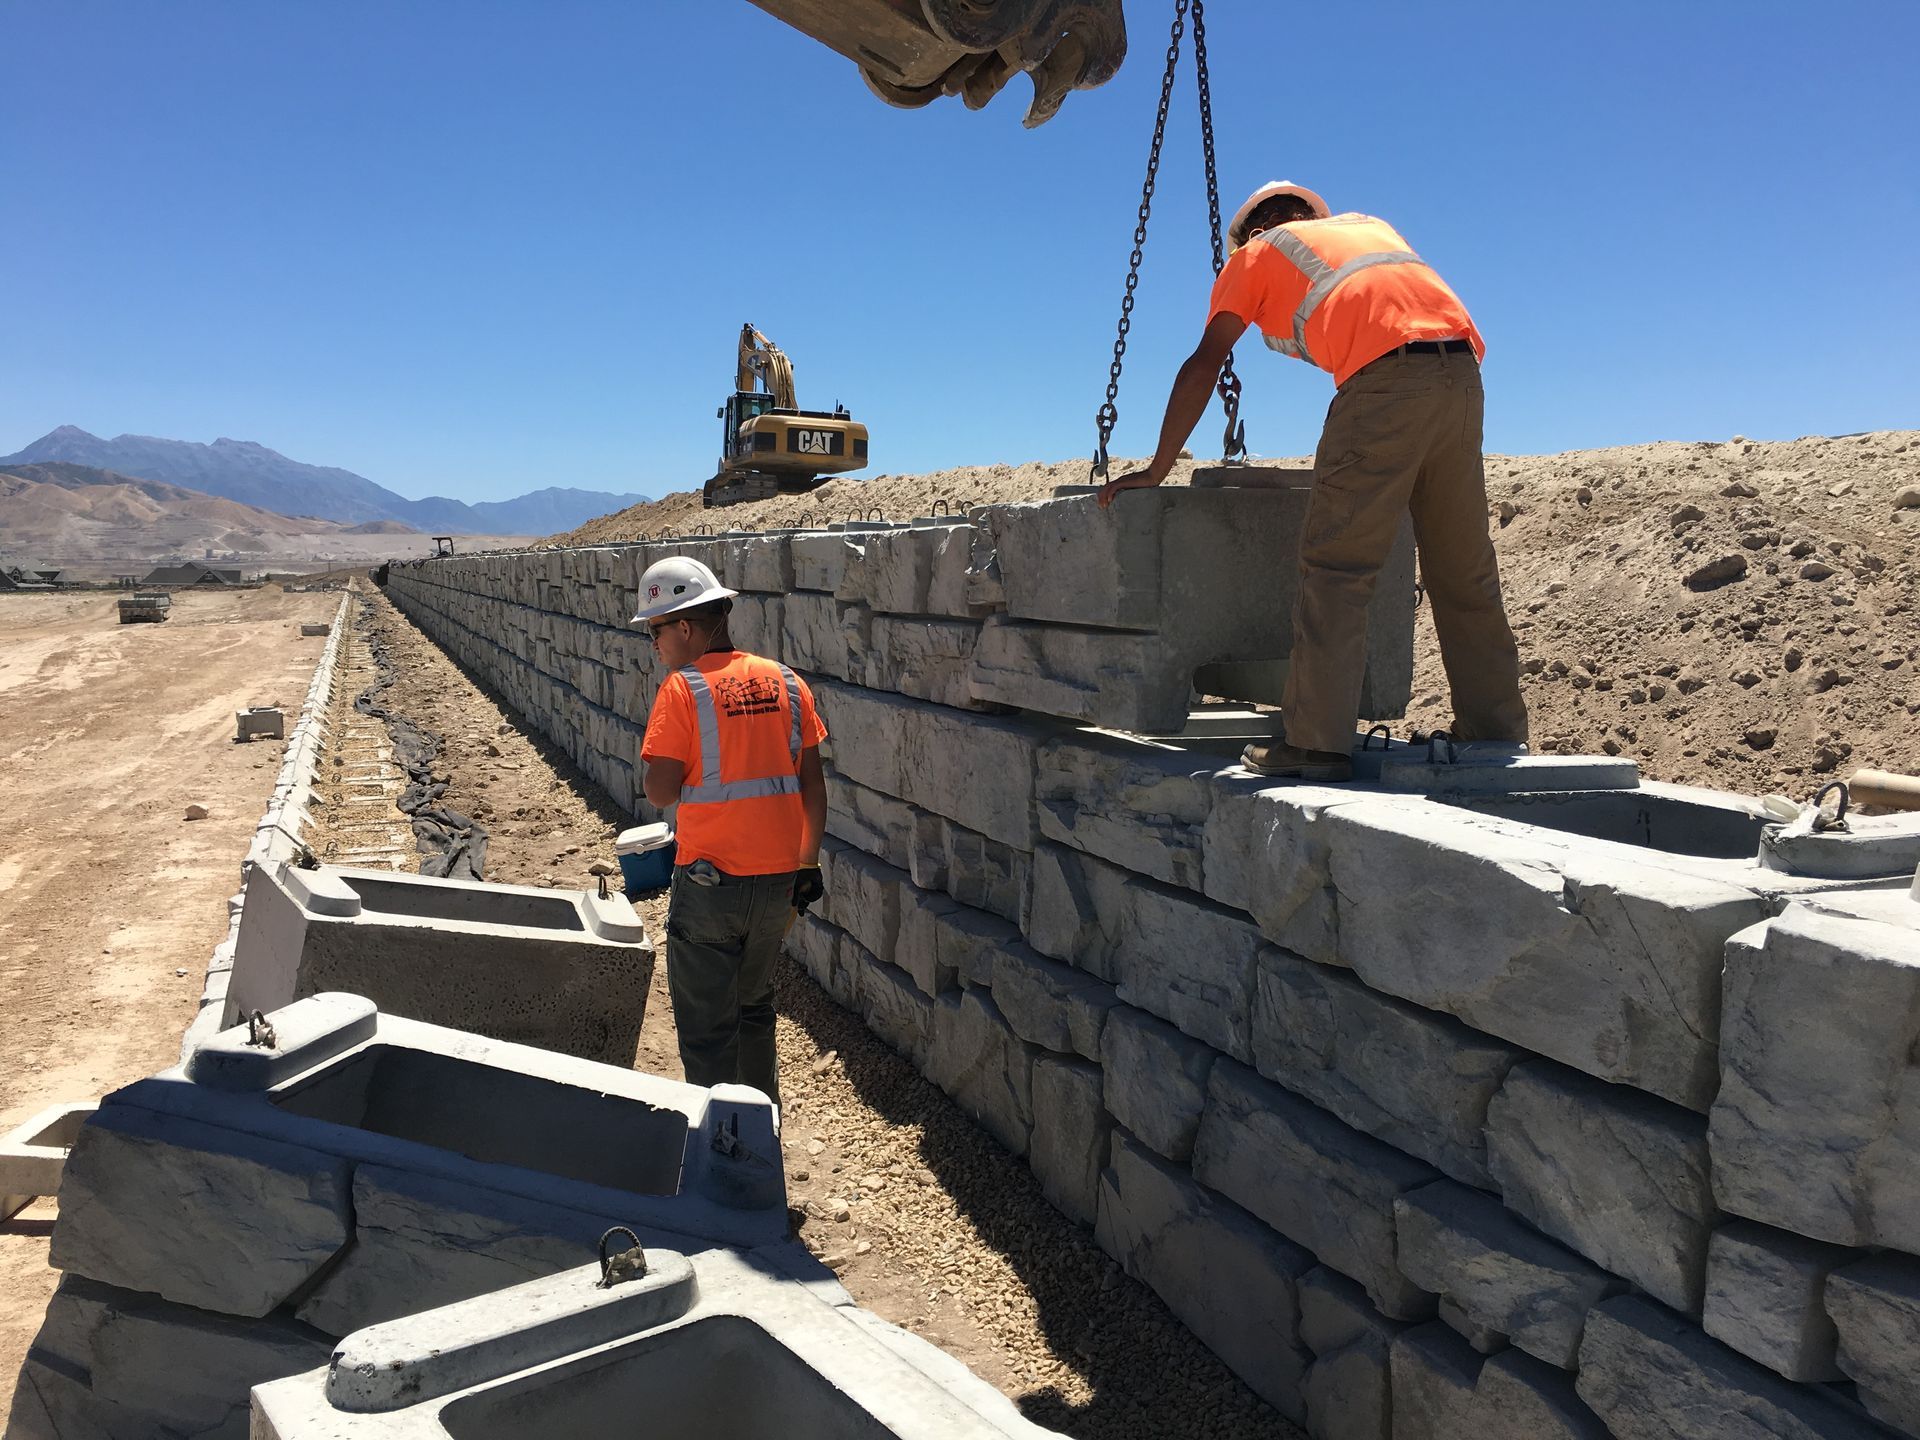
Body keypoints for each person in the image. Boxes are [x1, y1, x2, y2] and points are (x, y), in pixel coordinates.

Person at [1098, 180, 1529, 779]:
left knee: (1337, 568)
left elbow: (1204, 364)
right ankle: (1494, 731)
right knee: (1464, 568)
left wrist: (1156, 468)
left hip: (1383, 385)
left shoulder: (1255, 254)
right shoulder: (1369, 229)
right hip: (1460, 378)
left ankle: (1316, 743)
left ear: (1252, 230)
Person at [635, 556, 827, 1103]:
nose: (655, 643)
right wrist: (808, 864)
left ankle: (719, 1147)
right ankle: (760, 1129)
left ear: (686, 626)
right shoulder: (786, 682)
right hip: (779, 885)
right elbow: (814, 786)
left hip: (710, 887)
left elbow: (661, 791)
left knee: (706, 1029)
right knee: (754, 1009)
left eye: (656, 630)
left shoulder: (682, 690)